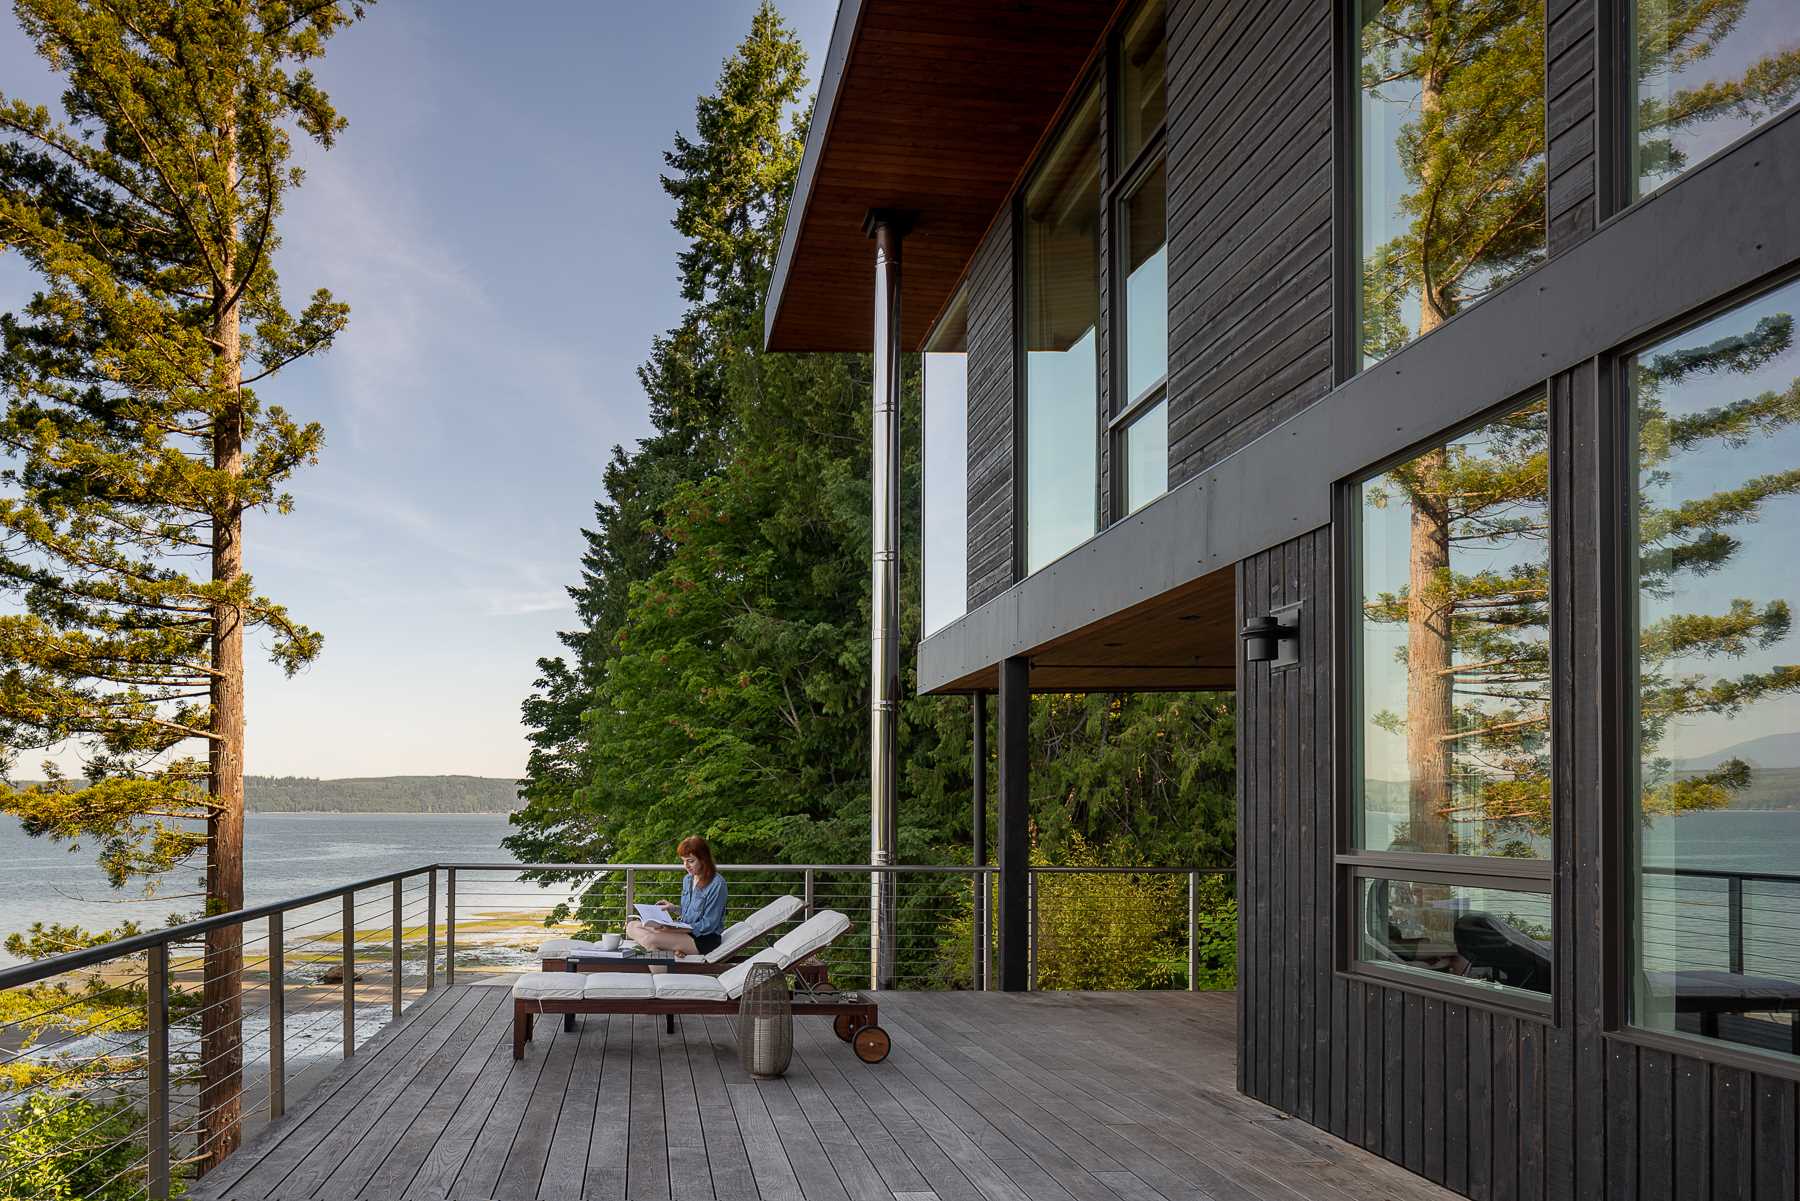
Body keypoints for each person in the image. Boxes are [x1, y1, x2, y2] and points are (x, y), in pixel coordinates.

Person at [625, 835, 728, 958]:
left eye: (690, 861)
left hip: (704, 939)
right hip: (684, 932)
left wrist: (674, 930)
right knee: (632, 925)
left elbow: (708, 925)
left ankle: (661, 972)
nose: (686, 866)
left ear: (703, 859)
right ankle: (668, 951)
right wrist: (673, 909)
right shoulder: (688, 879)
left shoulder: (717, 884)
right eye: (683, 861)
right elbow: (690, 913)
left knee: (650, 939)